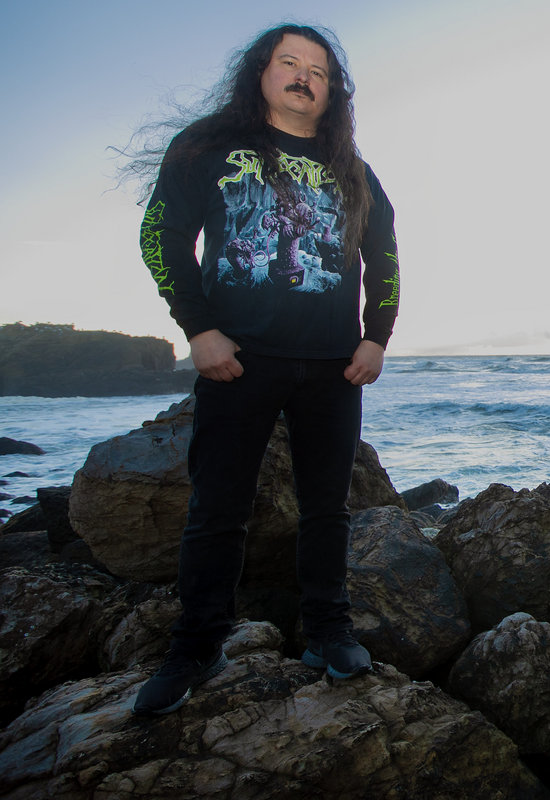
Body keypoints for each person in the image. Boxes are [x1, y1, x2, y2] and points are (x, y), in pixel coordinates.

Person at [131, 24, 400, 715]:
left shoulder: (352, 169)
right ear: (261, 72)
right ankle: (196, 646)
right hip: (239, 362)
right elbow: (160, 234)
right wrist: (199, 329)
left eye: (319, 70)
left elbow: (385, 256)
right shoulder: (208, 148)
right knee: (216, 510)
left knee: (327, 510)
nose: (304, 76)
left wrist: (376, 338)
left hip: (334, 367)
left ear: (332, 92)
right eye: (289, 62)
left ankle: (328, 631)